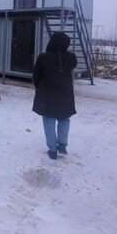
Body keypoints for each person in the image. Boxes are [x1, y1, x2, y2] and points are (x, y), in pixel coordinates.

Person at [32, 31, 77, 160]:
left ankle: (52, 149)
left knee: (48, 120)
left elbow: (36, 76)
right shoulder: (71, 58)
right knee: (64, 118)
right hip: (65, 94)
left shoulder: (43, 57)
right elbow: (71, 66)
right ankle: (62, 144)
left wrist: (39, 87)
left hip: (47, 95)